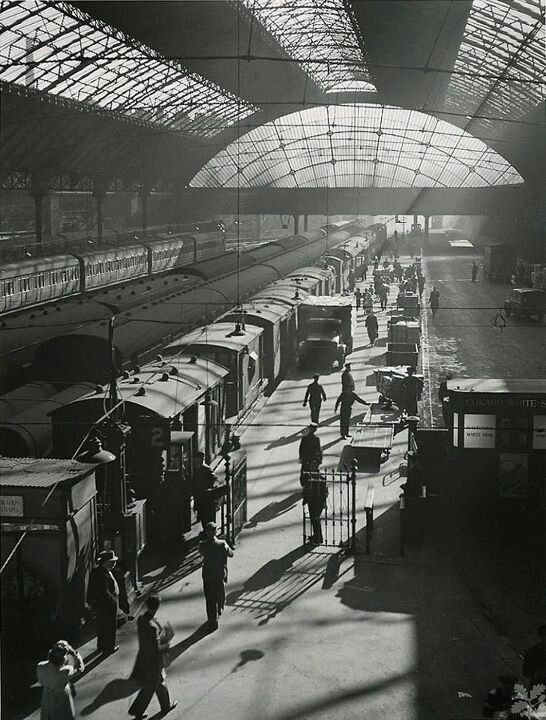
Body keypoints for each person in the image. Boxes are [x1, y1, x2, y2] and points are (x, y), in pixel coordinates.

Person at [129, 596, 177, 719]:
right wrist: (167, 644)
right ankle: (165, 707)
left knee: (152, 685)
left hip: (144, 658)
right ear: (156, 607)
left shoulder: (141, 620)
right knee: (158, 682)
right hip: (154, 661)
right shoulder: (152, 627)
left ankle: (138, 711)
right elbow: (156, 648)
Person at [198, 522, 234, 631]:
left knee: (209, 599)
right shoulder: (222, 544)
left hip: (208, 575)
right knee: (220, 593)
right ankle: (220, 609)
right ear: (216, 531)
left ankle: (212, 621)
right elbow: (231, 554)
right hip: (219, 574)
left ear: (207, 532)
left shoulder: (202, 545)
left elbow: (200, 552)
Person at [37, 641, 84, 720]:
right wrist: (75, 653)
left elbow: (41, 682)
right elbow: (80, 668)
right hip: (61, 698)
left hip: (47, 698)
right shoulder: (65, 671)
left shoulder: (40, 666)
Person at [87, 549, 120, 655]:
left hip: (99, 605)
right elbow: (104, 592)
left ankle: (101, 646)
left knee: (101, 626)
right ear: (106, 562)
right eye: (112, 562)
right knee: (110, 626)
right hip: (107, 605)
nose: (114, 563)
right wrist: (113, 600)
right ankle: (109, 648)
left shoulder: (98, 571)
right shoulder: (104, 574)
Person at [192, 451, 224, 529]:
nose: (194, 460)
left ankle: (209, 533)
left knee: (207, 516)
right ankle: (205, 531)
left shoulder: (206, 468)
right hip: (200, 497)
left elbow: (215, 478)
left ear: (200, 459)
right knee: (202, 515)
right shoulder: (197, 468)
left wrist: (213, 486)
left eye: (195, 459)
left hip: (206, 498)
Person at [302, 472, 328, 544]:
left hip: (315, 502)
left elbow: (306, 490)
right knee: (314, 519)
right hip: (315, 502)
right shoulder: (312, 477)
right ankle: (317, 536)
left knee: (315, 519)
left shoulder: (311, 478)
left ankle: (318, 538)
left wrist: (305, 500)